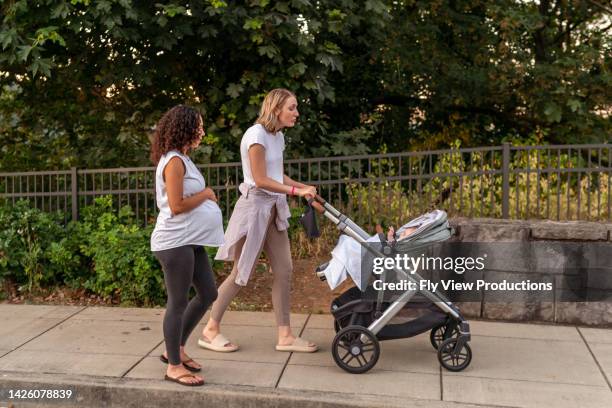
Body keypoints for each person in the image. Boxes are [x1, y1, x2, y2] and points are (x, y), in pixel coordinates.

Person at [199, 88, 318, 353]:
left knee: (285, 271)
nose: (297, 113)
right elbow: (261, 179)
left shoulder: (278, 138)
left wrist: (303, 186)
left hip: (274, 209)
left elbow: (278, 175)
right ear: (276, 109)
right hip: (254, 209)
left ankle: (285, 336)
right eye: (292, 108)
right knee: (242, 273)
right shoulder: (256, 136)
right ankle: (210, 330)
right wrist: (297, 192)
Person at [150, 105, 224, 386]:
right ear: (185, 128)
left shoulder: (183, 158)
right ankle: (174, 366)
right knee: (178, 302)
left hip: (190, 240)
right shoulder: (173, 162)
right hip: (174, 242)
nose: (202, 131)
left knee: (208, 293)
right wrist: (206, 194)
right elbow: (177, 205)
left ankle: (176, 350)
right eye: (199, 126)